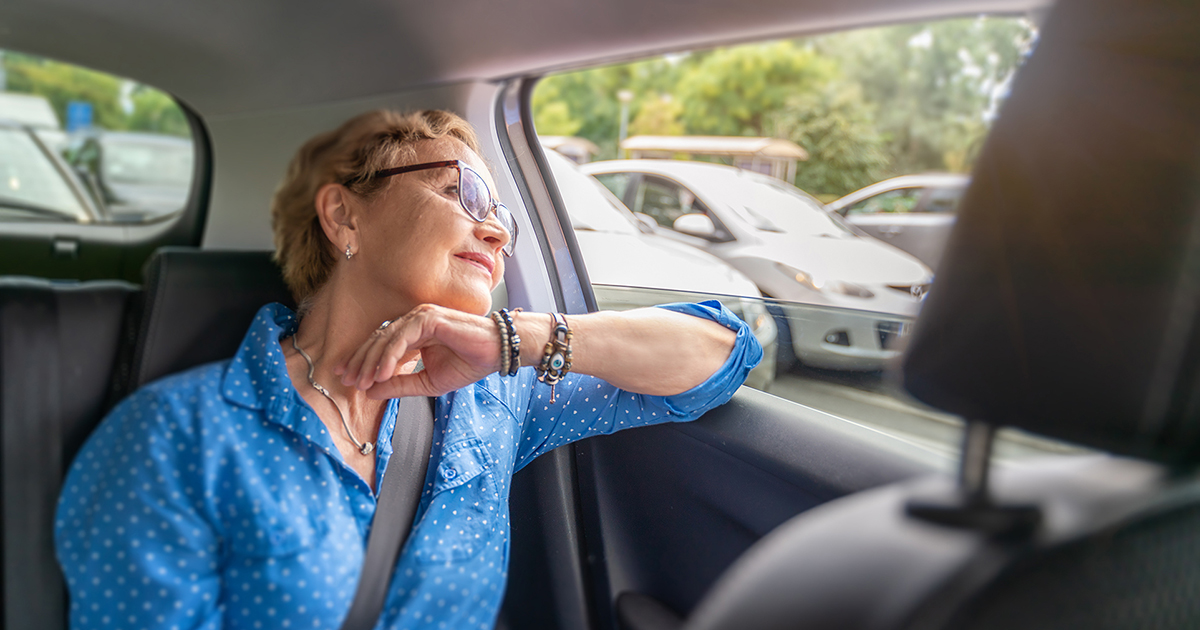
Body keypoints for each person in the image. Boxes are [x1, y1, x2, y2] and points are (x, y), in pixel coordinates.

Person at [54, 109, 762, 630]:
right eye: (465, 195)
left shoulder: (494, 399)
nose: (497, 231)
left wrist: (520, 337)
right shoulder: (171, 437)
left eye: (504, 218)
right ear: (343, 217)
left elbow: (720, 354)